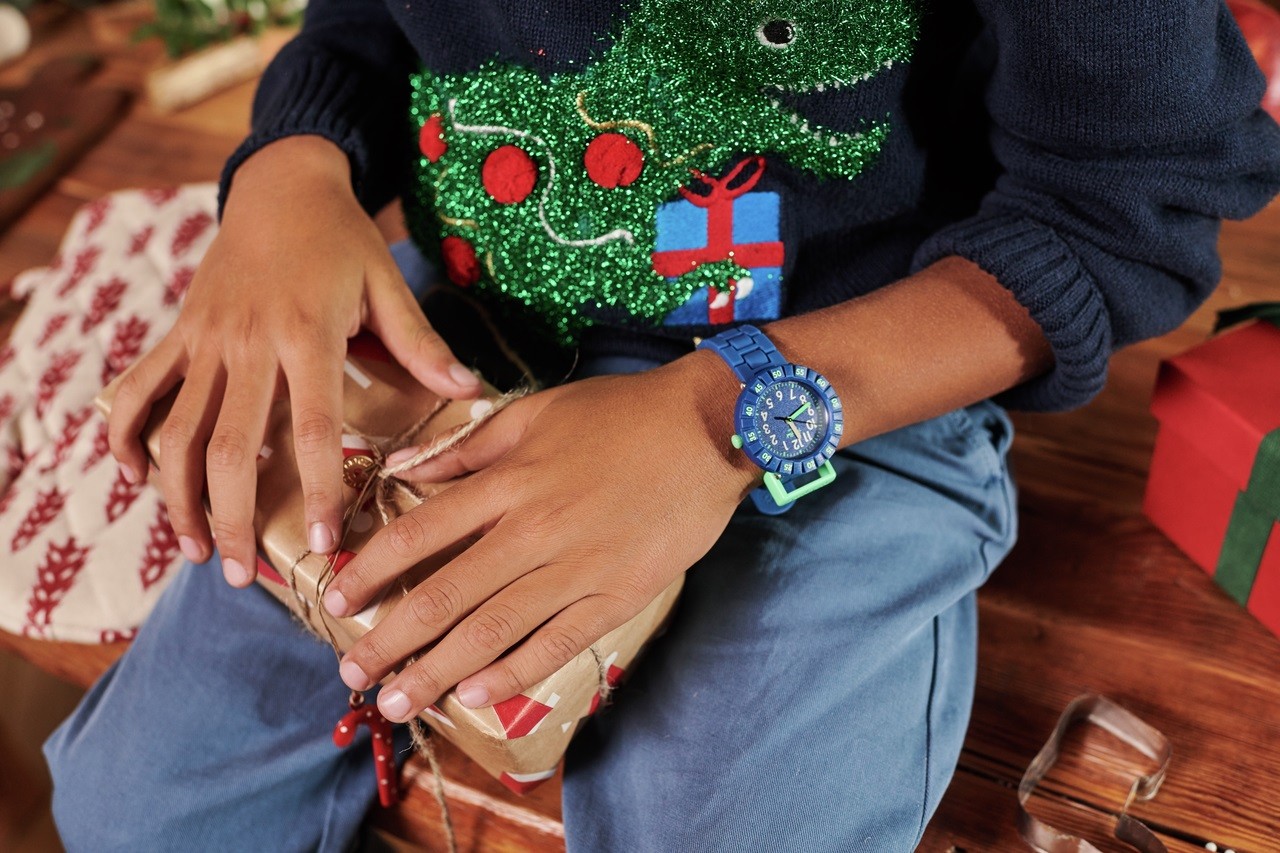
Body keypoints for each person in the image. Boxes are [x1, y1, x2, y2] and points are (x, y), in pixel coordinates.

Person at [43, 1, 1280, 850]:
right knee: (132, 809)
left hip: (851, 375)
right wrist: (291, 165)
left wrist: (716, 417)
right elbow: (368, 21)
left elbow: (1123, 208)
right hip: (461, 331)